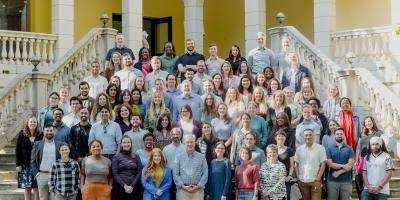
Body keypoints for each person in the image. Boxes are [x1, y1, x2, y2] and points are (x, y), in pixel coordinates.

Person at [31, 124, 62, 200]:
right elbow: (33, 161)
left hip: (56, 175)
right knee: (43, 198)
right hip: (41, 175)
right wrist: (37, 174)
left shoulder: (60, 144)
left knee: (55, 198)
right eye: (47, 131)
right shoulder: (37, 144)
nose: (49, 132)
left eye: (51, 130)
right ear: (43, 132)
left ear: (54, 132)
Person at [173, 134, 208, 200]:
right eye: (187, 142)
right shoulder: (178, 157)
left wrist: (198, 186)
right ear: (184, 143)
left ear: (195, 143)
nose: (189, 144)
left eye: (191, 142)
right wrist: (183, 186)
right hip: (182, 191)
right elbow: (175, 174)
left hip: (198, 191)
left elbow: (205, 173)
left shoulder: (202, 157)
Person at [295, 129, 326, 200]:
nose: (308, 137)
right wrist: (298, 177)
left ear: (314, 136)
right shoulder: (299, 149)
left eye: (310, 135)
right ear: (303, 136)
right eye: (306, 135)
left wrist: (318, 178)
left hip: (315, 181)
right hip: (302, 182)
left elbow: (323, 164)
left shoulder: (320, 148)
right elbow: (296, 164)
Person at [16, 116, 42, 200]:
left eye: (34, 122)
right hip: (25, 165)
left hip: (36, 165)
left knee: (36, 188)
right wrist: (18, 164)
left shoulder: (40, 135)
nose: (32, 123)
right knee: (27, 188)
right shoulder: (22, 134)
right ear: (27, 123)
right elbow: (18, 150)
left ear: (37, 124)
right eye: (31, 122)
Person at [326, 128, 355, 200]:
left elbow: (350, 165)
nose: (339, 135)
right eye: (337, 134)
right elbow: (330, 164)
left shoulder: (349, 149)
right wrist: (343, 166)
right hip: (332, 181)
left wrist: (338, 172)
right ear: (334, 136)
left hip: (346, 181)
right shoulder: (329, 149)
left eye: (341, 134)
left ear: (344, 135)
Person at [112, 135, 142, 199]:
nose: (126, 144)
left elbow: (139, 172)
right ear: (121, 144)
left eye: (128, 142)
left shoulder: (136, 156)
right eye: (124, 142)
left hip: (134, 187)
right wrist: (125, 186)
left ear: (131, 144)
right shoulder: (116, 157)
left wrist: (132, 186)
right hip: (120, 187)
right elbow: (115, 174)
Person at [275, 130, 295, 200]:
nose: (281, 137)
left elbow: (292, 165)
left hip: (285, 180)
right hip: (274, 179)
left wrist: (289, 176)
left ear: (285, 138)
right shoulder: (272, 149)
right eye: (279, 136)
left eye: (283, 136)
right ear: (275, 138)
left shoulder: (289, 150)